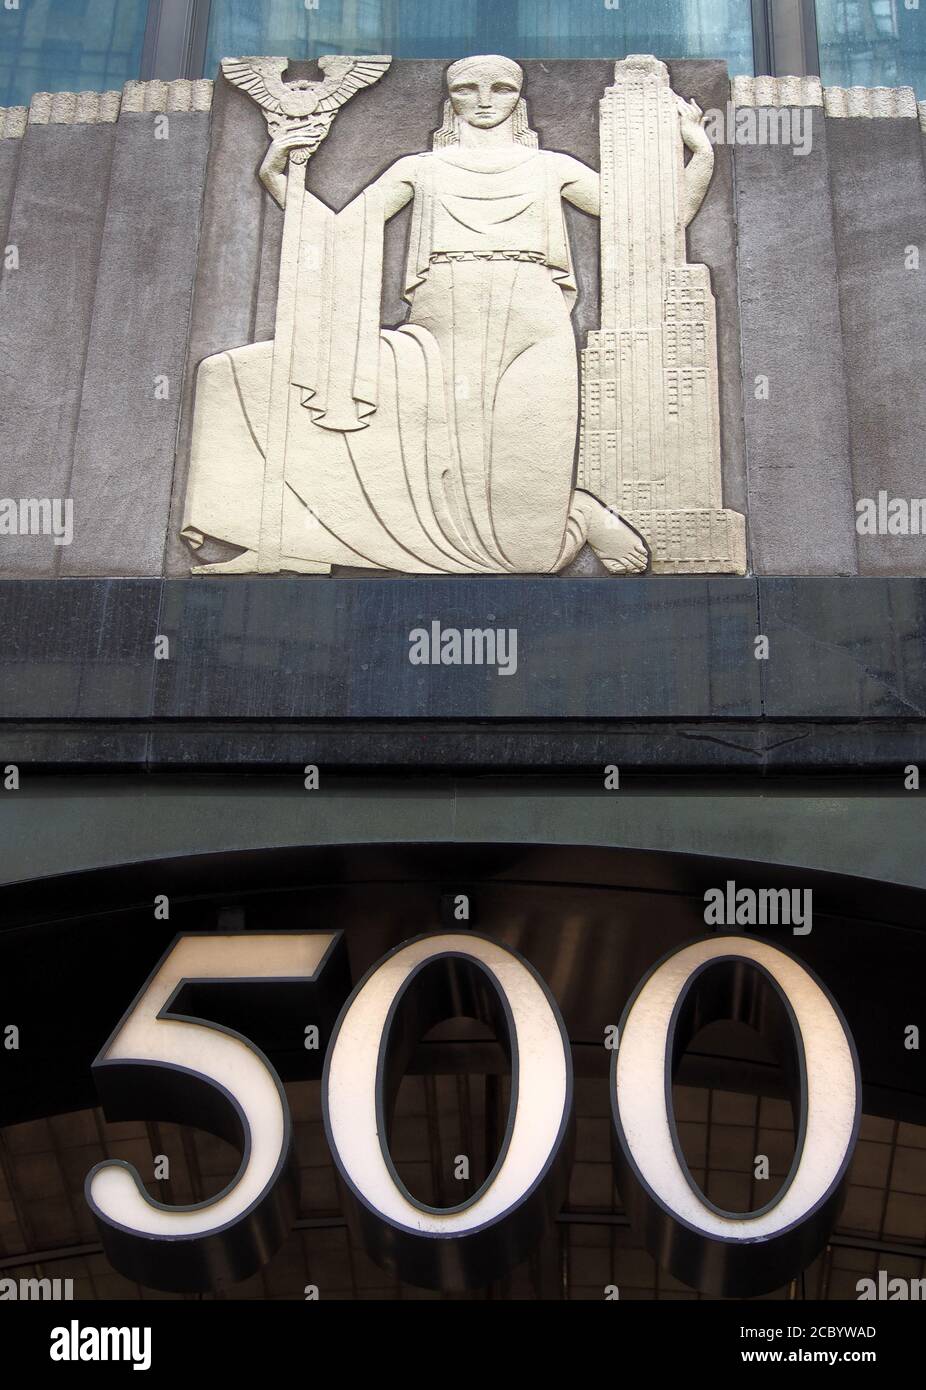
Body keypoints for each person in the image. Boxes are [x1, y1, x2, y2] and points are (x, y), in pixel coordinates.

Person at [182, 55, 650, 576]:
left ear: (520, 97)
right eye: (468, 88)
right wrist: (275, 173)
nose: (485, 100)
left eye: (501, 88)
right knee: (229, 374)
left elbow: (649, 213)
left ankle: (580, 512)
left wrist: (697, 152)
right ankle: (291, 539)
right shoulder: (418, 170)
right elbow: (339, 233)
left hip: (533, 323)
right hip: (439, 327)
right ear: (450, 98)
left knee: (530, 555)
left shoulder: (552, 167)